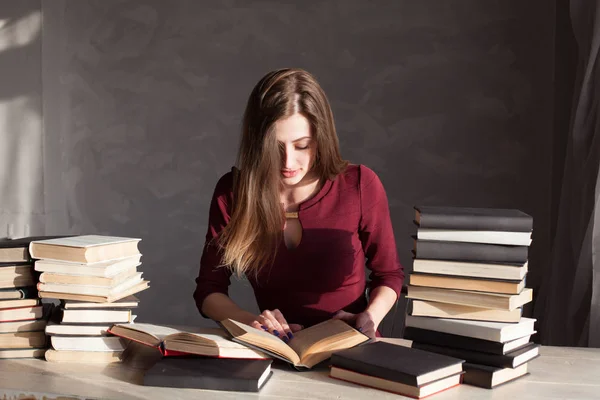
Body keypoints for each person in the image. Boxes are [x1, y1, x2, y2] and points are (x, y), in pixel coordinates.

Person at [193, 68, 404, 341]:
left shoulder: (359, 185)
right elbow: (209, 291)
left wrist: (371, 316)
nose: (288, 163)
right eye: (274, 148)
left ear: (321, 139)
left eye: (302, 145)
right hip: (276, 347)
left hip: (351, 345)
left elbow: (389, 274)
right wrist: (255, 323)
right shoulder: (234, 193)